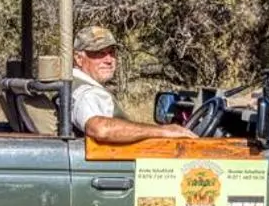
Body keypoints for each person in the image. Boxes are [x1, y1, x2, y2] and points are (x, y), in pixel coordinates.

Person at [68, 25, 196, 144]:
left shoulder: (73, 83)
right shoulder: (88, 93)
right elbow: (100, 129)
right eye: (99, 53)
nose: (109, 60)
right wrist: (164, 131)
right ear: (79, 58)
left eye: (111, 52)